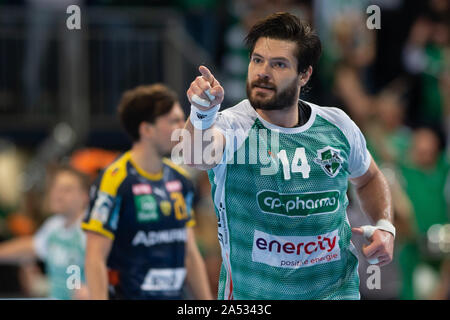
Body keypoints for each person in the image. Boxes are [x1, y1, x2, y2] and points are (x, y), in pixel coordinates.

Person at [182, 12, 395, 300]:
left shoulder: (337, 125)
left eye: (279, 64)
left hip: (335, 291)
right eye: (257, 60)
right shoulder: (233, 125)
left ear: (304, 74)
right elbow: (195, 157)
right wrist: (202, 114)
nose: (263, 72)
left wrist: (384, 225)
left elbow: (369, 177)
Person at [82, 84, 212, 300]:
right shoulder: (115, 180)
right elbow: (95, 257)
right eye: (174, 121)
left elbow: (190, 253)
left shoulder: (181, 180)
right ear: (147, 130)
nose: (183, 126)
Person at [0, 165, 89, 300]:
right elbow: (30, 247)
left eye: (66, 190)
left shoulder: (90, 230)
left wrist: (94, 289)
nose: (57, 195)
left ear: (85, 196)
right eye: (55, 188)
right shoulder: (54, 225)